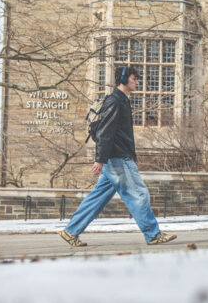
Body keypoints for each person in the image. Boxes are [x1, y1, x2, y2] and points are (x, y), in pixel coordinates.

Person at [58, 66, 176, 247]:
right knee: (139, 194)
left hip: (113, 159)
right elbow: (106, 132)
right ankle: (153, 235)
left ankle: (71, 231)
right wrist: (100, 159)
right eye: (134, 78)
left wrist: (103, 160)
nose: (138, 82)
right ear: (123, 79)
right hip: (118, 158)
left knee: (97, 198)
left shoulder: (121, 101)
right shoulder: (115, 102)